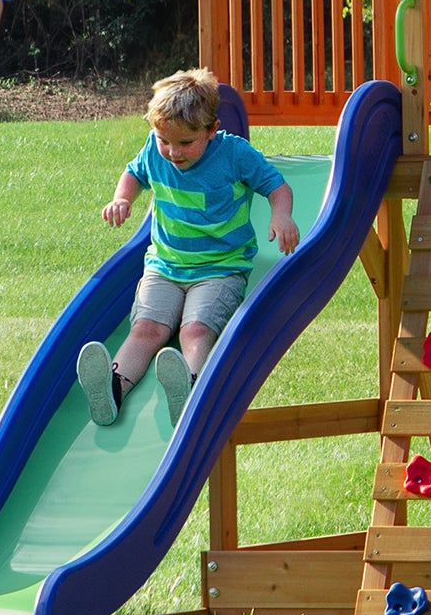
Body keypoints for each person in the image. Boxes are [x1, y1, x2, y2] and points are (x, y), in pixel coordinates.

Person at [75, 68, 297, 428]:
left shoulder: (234, 155)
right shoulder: (154, 149)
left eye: (185, 143)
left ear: (211, 130)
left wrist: (282, 217)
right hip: (165, 265)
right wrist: (122, 199)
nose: (173, 152)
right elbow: (134, 174)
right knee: (146, 328)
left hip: (220, 269)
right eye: (165, 140)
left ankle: (188, 391)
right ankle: (111, 391)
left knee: (194, 330)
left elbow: (277, 186)